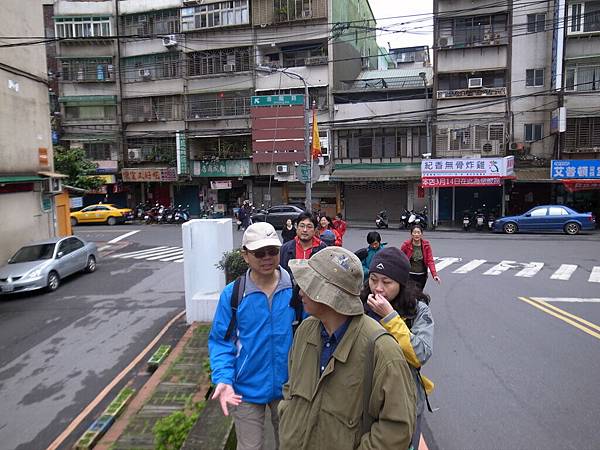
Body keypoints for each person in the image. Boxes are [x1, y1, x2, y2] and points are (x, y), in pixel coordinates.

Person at [279, 246, 416, 450]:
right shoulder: (305, 330)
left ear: (329, 295)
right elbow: (291, 387)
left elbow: (397, 429)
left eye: (309, 284)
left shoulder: (380, 348)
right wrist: (287, 420)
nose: (300, 290)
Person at [208, 222, 295, 450]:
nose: (267, 257)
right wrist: (223, 379)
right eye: (259, 253)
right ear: (245, 255)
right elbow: (220, 342)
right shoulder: (234, 294)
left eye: (272, 251)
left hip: (289, 388)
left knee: (290, 444)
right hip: (245, 390)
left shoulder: (295, 289)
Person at [362, 247, 435, 450]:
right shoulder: (361, 303)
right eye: (374, 279)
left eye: (387, 282)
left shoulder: (418, 310)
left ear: (401, 285)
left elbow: (421, 354)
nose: (378, 288)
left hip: (405, 397)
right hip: (365, 395)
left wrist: (390, 318)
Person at [279, 212, 327, 277]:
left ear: (315, 230)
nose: (305, 230)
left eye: (309, 227)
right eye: (302, 226)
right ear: (296, 227)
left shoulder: (323, 249)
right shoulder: (285, 249)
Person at [400, 224, 440, 289]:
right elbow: (400, 258)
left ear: (421, 234)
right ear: (411, 234)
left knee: (419, 294)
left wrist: (434, 275)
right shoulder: (406, 245)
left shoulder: (426, 245)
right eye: (414, 232)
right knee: (410, 295)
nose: (416, 235)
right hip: (409, 275)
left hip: (422, 276)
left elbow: (430, 261)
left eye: (418, 233)